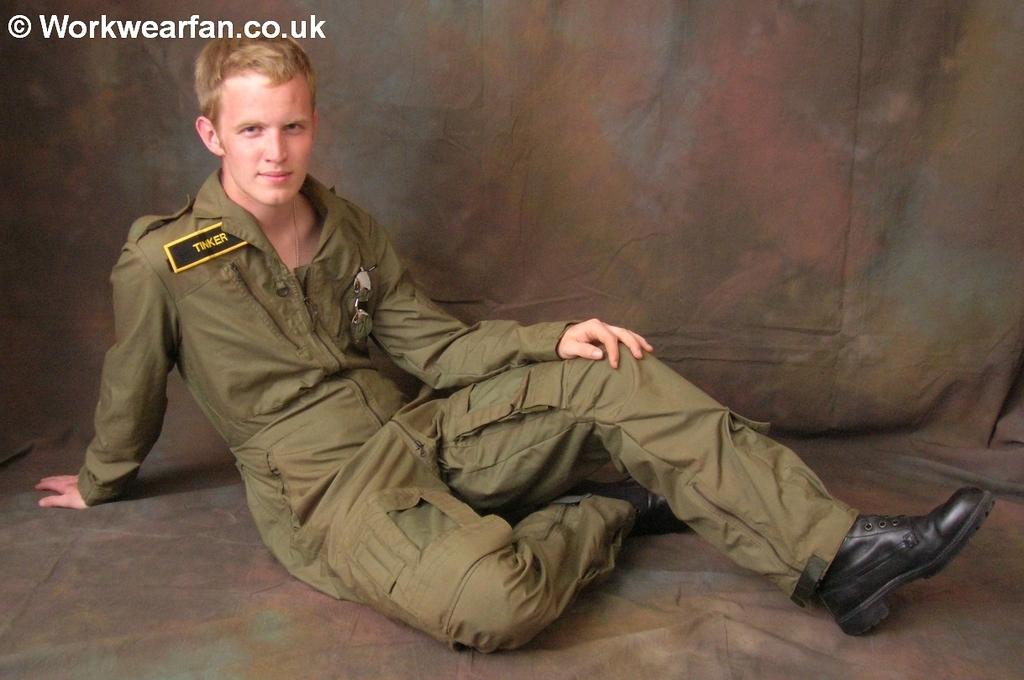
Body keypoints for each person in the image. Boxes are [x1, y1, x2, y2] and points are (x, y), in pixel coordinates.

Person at [35, 36, 995, 652]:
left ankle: (842, 554)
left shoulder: (348, 226)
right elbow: (132, 387)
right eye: (251, 130)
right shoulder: (166, 259)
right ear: (212, 134)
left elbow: (435, 349)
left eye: (292, 126)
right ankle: (609, 510)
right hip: (331, 493)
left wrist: (556, 337)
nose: (275, 151)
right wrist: (102, 478)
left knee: (615, 373)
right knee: (501, 607)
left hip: (423, 427)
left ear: (315, 124)